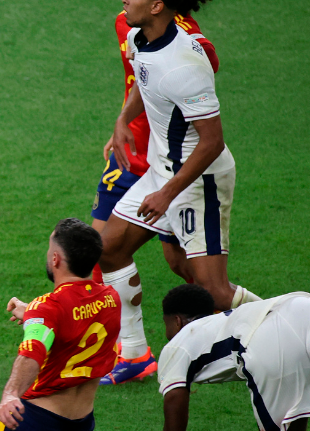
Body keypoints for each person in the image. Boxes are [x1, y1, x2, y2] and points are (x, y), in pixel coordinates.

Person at [96, 0, 262, 389]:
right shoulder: (139, 35)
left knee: (213, 290)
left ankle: (288, 326)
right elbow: (144, 81)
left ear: (157, 5)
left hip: (197, 181)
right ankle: (135, 353)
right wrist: (123, 119)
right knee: (109, 248)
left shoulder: (186, 63)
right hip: (162, 173)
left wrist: (169, 193)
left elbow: (212, 142)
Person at [0, 218, 120, 431]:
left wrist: (10, 394)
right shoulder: (110, 299)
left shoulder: (48, 307)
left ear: (56, 259)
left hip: (37, 423)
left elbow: (32, 352)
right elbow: (79, 320)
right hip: (80, 425)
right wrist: (32, 314)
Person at [156, 284, 309, 431]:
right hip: (298, 305)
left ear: (176, 321)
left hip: (269, 340)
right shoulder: (230, 319)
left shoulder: (176, 346)